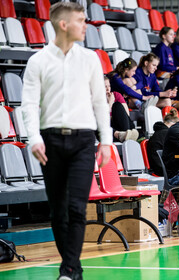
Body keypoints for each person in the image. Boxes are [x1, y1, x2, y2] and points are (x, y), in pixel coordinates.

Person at [20, 3, 112, 280]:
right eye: (81, 21)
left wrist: (105, 141)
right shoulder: (38, 61)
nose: (86, 26)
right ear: (63, 24)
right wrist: (33, 138)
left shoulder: (90, 59)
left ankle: (68, 270)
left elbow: (99, 102)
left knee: (76, 207)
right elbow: (28, 104)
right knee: (58, 211)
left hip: (84, 140)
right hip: (49, 142)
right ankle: (74, 269)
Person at [105, 76, 139, 142]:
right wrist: (110, 103)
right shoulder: (96, 101)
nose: (107, 89)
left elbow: (126, 114)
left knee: (117, 105)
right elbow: (103, 121)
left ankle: (126, 134)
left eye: (109, 86)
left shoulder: (116, 95)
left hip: (123, 125)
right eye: (105, 86)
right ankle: (124, 135)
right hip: (111, 129)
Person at [147, 109, 179, 176]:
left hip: (159, 169)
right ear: (173, 125)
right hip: (165, 171)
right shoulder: (168, 134)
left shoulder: (157, 133)